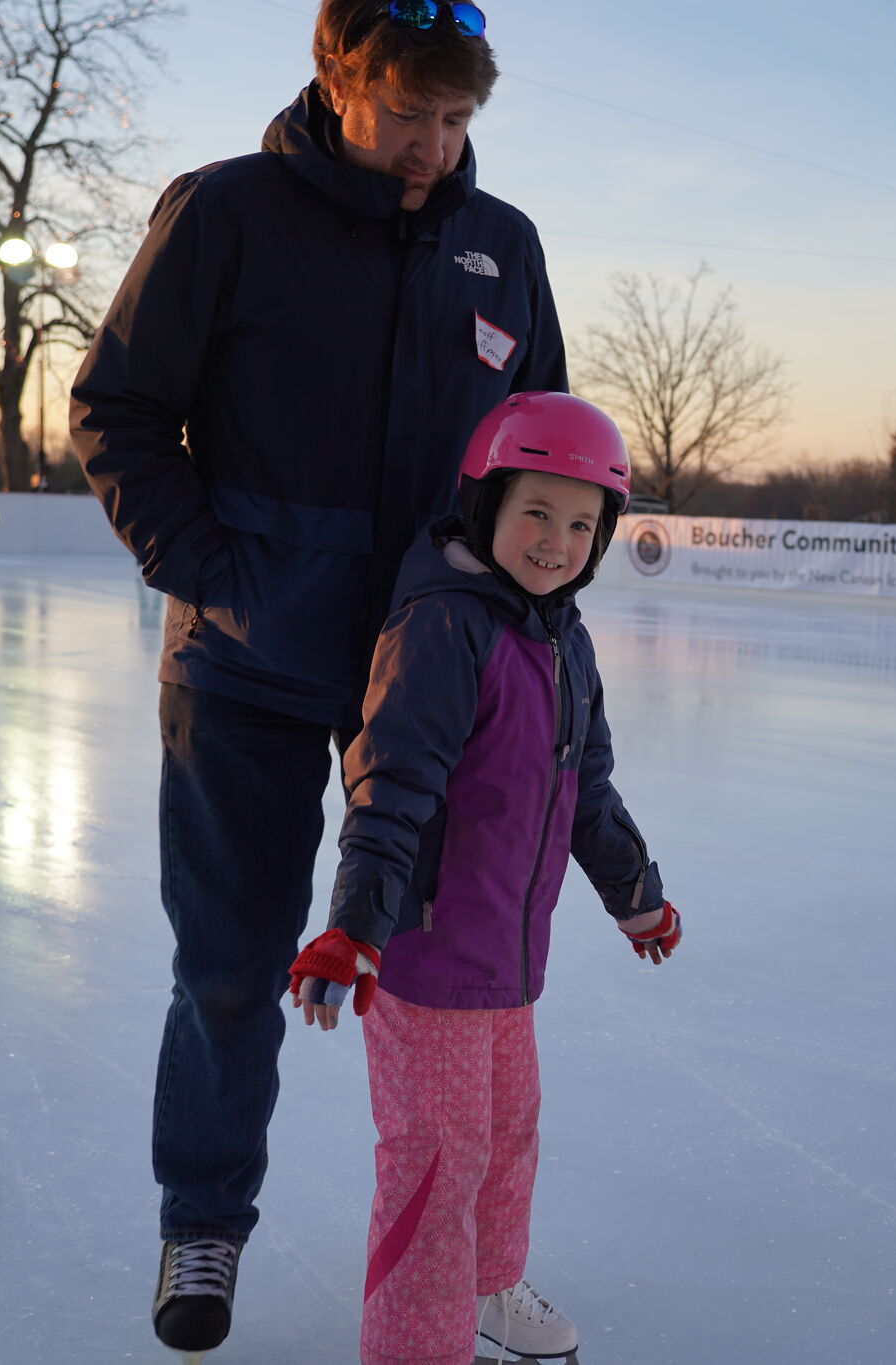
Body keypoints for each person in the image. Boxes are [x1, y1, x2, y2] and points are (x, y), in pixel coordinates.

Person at [67, 2, 567, 1354]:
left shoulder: (502, 246)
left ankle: (472, 1267)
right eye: (407, 113)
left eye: (455, 120)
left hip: (430, 672)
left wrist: (515, 621)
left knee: (456, 985)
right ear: (337, 78)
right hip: (242, 665)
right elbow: (116, 409)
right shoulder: (225, 213)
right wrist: (208, 572)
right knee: (232, 964)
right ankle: (203, 1217)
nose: (431, 146)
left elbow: (539, 452)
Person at [287, 392, 682, 1365]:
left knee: (506, 1135)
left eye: (581, 524)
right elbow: (391, 787)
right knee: (435, 1160)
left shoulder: (563, 639)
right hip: (427, 959)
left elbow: (586, 791)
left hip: (508, 961)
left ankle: (488, 1289)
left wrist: (636, 896)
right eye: (536, 512)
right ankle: (414, 1346)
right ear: (486, 505)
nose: (556, 541)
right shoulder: (443, 625)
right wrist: (356, 927)